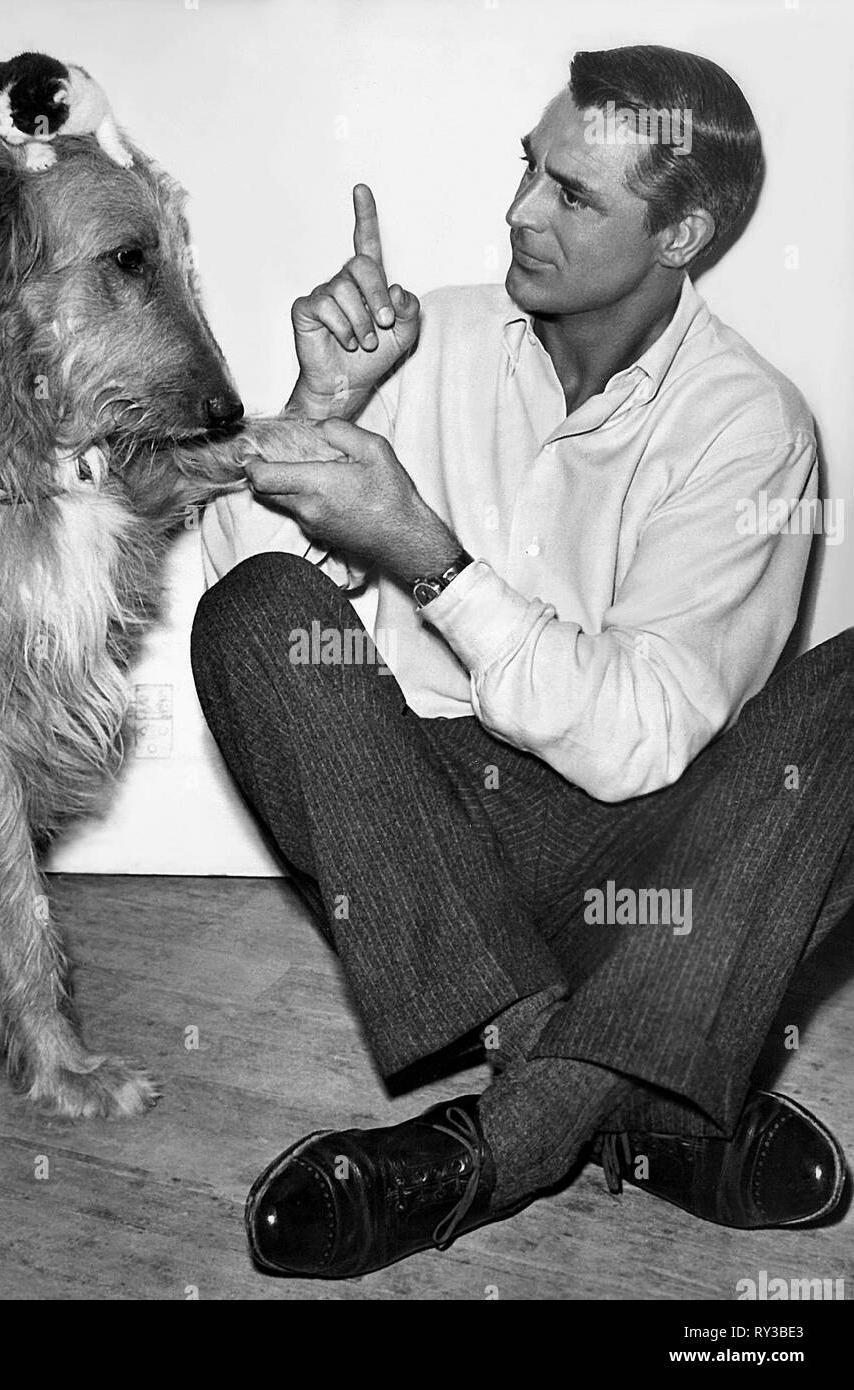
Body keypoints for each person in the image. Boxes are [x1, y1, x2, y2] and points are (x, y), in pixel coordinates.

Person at [191, 44, 853, 1279]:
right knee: (253, 614)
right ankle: (636, 1097)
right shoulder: (417, 337)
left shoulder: (749, 424)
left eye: (572, 194)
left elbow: (640, 743)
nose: (517, 211)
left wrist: (433, 561)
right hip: (420, 854)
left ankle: (507, 1139)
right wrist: (321, 405)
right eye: (527, 170)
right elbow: (247, 605)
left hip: (650, 862)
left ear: (683, 233)